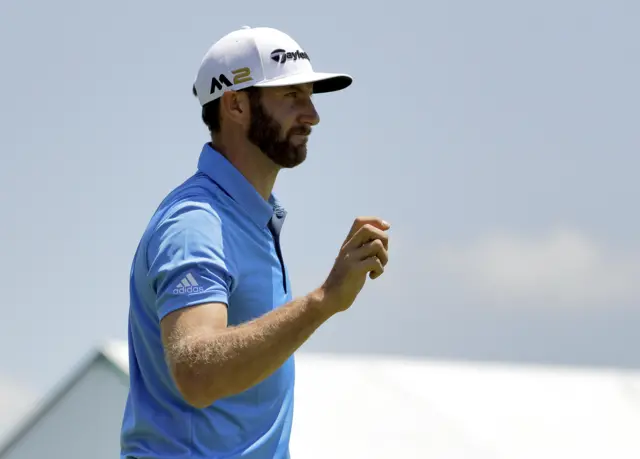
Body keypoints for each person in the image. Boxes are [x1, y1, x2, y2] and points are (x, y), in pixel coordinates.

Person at [119, 25, 391, 459]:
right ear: (236, 104)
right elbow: (196, 374)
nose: (312, 115)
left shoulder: (245, 215)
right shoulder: (196, 224)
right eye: (291, 97)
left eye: (310, 96)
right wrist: (323, 301)